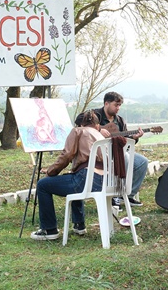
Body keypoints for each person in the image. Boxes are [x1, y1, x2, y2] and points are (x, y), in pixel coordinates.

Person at [31, 111, 108, 240]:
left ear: (79, 124)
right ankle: (79, 224)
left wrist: (51, 171)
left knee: (43, 185)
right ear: (96, 124)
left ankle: (49, 229)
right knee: (73, 176)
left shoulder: (78, 131)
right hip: (104, 181)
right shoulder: (100, 135)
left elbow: (67, 155)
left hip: (86, 178)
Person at [85, 91, 148, 208]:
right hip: (100, 153)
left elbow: (125, 140)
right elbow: (79, 122)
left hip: (119, 151)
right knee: (126, 157)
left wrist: (134, 138)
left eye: (120, 105)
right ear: (106, 103)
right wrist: (98, 130)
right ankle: (116, 194)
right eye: (116, 105)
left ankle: (128, 195)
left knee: (142, 162)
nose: (118, 108)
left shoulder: (120, 121)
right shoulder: (95, 115)